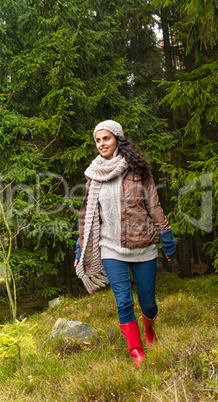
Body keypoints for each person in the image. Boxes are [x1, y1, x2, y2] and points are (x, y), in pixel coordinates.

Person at [74, 120, 176, 366]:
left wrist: (167, 236)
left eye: (106, 139)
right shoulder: (94, 175)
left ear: (117, 139)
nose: (101, 144)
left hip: (143, 246)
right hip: (110, 248)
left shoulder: (138, 169)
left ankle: (150, 332)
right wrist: (80, 248)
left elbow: (153, 205)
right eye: (98, 140)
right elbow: (88, 215)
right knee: (123, 301)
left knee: (148, 302)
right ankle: (137, 353)